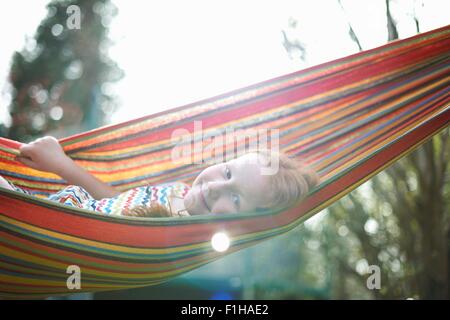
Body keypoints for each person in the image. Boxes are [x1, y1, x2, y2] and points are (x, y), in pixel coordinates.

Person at [0, 136, 319, 217]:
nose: (216, 186)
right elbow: (114, 202)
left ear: (247, 222)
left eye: (235, 198)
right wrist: (60, 164)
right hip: (41, 209)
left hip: (42, 222)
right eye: (227, 171)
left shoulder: (186, 237)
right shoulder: (178, 189)